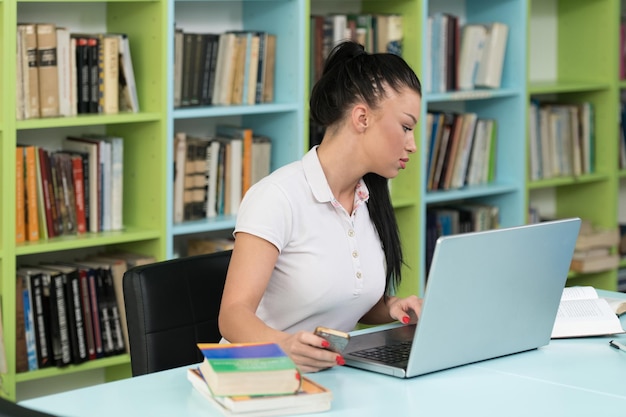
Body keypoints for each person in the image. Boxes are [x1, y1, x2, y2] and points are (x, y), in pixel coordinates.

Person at [218, 40, 423, 373]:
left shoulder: (367, 199)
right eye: (406, 127)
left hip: (325, 378)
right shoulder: (277, 196)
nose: (412, 144)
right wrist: (284, 345)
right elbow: (232, 316)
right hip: (256, 376)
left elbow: (348, 300)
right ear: (362, 118)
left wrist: (393, 307)